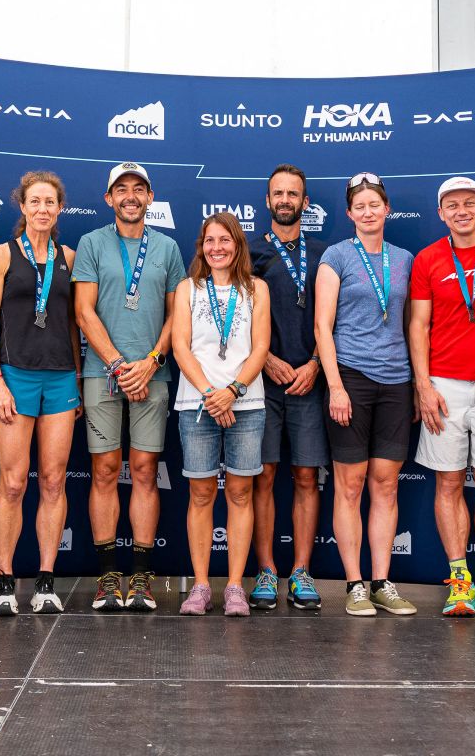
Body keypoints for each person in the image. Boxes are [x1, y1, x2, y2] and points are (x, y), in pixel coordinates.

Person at [73, 162, 184, 613]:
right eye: (122, 189)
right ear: (109, 198)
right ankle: (107, 577)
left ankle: (140, 576)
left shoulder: (168, 247)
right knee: (103, 471)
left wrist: (152, 361)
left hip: (152, 373)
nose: (131, 196)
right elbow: (84, 311)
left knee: (143, 470)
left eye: (139, 189)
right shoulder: (91, 242)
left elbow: (178, 315)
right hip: (103, 373)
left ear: (150, 197)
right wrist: (120, 366)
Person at [409, 176, 475, 618]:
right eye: (452, 205)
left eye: (469, 203)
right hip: (445, 386)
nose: (461, 211)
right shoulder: (428, 258)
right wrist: (423, 385)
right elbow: (419, 325)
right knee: (449, 483)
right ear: (441, 213)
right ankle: (458, 580)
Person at [0, 171, 83, 616]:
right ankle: (4, 583)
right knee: (14, 482)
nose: (42, 209)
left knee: (55, 481)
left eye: (50, 202)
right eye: (34, 201)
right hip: (14, 378)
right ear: (22, 207)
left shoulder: (71, 257)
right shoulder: (2, 256)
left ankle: (45, 582)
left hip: (60, 379)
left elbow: (75, 323)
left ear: (60, 209)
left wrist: (78, 379)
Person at [314, 172, 417, 618]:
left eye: (375, 204)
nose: (368, 211)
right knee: (350, 484)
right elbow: (322, 327)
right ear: (350, 213)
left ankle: (381, 582)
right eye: (360, 206)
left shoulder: (404, 259)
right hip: (350, 377)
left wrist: (417, 384)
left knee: (386, 484)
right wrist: (335, 386)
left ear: (387, 209)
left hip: (396, 381)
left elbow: (412, 324)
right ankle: (354, 584)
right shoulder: (336, 256)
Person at [172, 213, 271, 617]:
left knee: (241, 493)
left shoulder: (256, 289)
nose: (217, 248)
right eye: (210, 240)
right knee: (200, 494)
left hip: (245, 404)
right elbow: (180, 347)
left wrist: (232, 392)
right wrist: (211, 394)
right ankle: (200, 586)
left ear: (237, 245)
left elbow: (261, 347)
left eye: (225, 240)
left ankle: (233, 586)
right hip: (197, 405)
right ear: (202, 247)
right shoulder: (188, 289)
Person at [247, 164, 327, 611]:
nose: (284, 200)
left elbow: (335, 320)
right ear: (267, 200)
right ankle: (265, 570)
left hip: (309, 381)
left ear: (304, 202)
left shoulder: (324, 253)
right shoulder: (249, 251)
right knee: (263, 475)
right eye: (277, 193)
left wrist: (315, 363)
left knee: (306, 476)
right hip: (261, 382)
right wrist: (265, 360)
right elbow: (234, 317)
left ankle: (300, 571)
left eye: (292, 194)